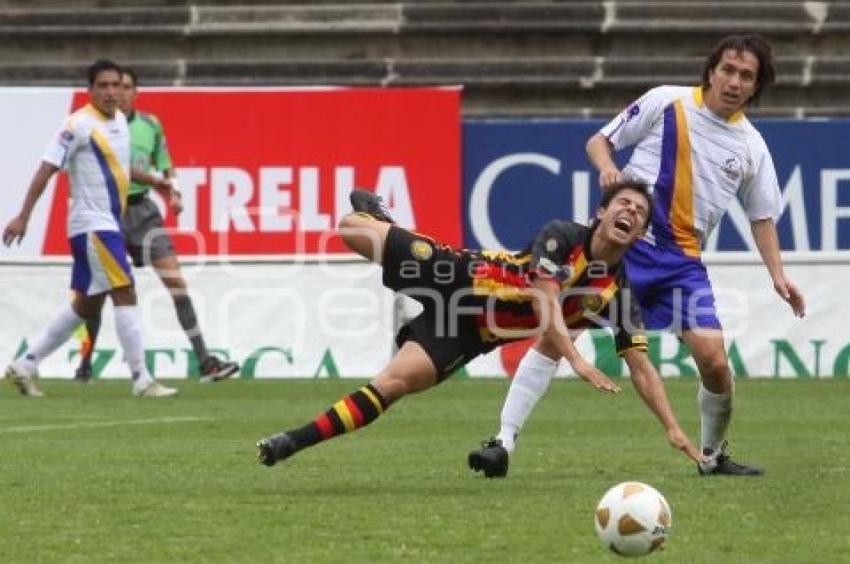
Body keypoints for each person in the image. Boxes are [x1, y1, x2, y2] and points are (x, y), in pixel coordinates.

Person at [480, 34, 805, 478]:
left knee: (715, 362)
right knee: (558, 338)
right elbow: (599, 141)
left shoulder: (752, 146)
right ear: (711, 71)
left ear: (756, 86)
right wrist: (607, 169)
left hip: (682, 266)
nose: (733, 81)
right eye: (727, 69)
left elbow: (762, 217)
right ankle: (502, 441)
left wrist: (778, 275)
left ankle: (711, 456)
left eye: (745, 75)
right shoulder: (666, 102)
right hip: (622, 250)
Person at [256, 186, 704, 470]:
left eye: (640, 211)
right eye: (623, 203)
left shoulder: (619, 294)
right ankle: (384, 221)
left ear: (641, 231)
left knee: (394, 383)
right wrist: (577, 360)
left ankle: (292, 441)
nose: (631, 210)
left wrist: (673, 428)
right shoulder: (563, 235)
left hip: (469, 332)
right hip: (459, 273)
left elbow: (641, 366)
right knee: (352, 229)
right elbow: (543, 295)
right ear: (600, 213)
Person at [3, 60, 177, 397]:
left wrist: (158, 182)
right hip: (92, 226)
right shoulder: (78, 125)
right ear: (91, 90)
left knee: (87, 305)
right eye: (104, 86)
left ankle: (25, 363)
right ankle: (142, 378)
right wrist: (23, 215)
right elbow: (46, 169)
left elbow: (122, 167)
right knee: (125, 288)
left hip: (107, 222)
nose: (112, 92)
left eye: (117, 85)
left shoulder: (121, 124)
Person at [73, 66, 239, 383]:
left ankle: (205, 362)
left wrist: (173, 193)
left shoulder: (150, 125)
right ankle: (84, 364)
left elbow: (165, 164)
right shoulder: (93, 126)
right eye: (113, 86)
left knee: (176, 283)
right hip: (108, 213)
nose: (118, 92)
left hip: (144, 212)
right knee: (99, 292)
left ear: (135, 92)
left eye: (125, 87)